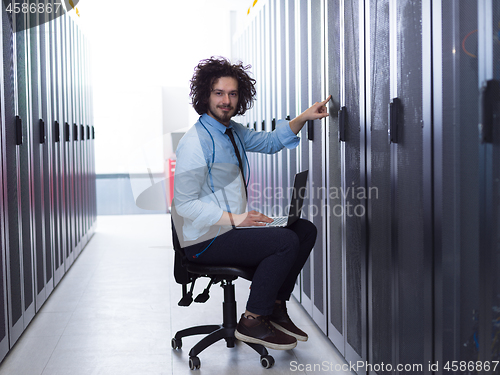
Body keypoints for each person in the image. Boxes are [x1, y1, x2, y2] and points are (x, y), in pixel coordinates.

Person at [173, 56, 330, 351]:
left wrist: (304, 117)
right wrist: (237, 219)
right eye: (219, 93)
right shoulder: (197, 143)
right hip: (204, 239)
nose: (226, 101)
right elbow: (185, 205)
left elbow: (270, 142)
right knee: (283, 241)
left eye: (232, 94)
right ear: (206, 95)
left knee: (304, 230)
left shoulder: (231, 131)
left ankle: (275, 306)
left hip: (229, 229)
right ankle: (253, 319)